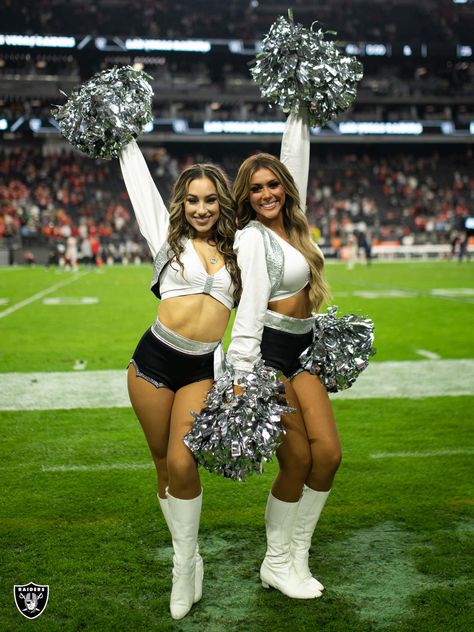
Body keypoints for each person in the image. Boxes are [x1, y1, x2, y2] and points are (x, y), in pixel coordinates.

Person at [119, 141, 241, 620]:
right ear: (182, 203)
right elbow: (141, 187)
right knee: (162, 466)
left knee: (182, 462)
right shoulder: (166, 237)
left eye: (210, 199)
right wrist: (124, 135)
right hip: (152, 361)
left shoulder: (240, 247)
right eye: (193, 200)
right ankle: (188, 564)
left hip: (200, 366)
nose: (202, 208)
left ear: (222, 203)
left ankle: (184, 565)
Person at [227, 112, 340, 599]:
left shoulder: (295, 227)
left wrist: (299, 110)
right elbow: (250, 307)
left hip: (305, 347)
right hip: (270, 353)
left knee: (329, 456)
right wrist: (240, 375)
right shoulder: (252, 238)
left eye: (274, 184)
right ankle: (276, 563)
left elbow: (297, 158)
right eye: (256, 189)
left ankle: (297, 553)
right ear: (246, 197)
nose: (267, 193)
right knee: (295, 459)